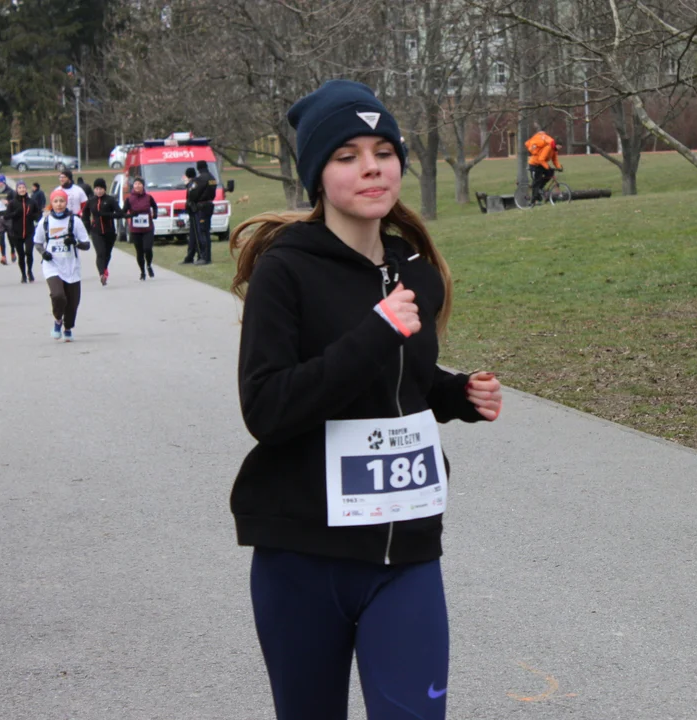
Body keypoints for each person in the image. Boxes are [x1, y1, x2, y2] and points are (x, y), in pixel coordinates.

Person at [228, 79, 503, 720]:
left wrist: (456, 393)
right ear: (317, 175)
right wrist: (375, 333)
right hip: (303, 556)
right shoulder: (284, 272)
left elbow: (402, 380)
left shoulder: (416, 273)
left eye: (383, 150)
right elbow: (267, 409)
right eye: (346, 154)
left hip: (404, 551)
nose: (371, 166)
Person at [33, 188, 90, 341]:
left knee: (72, 302)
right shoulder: (45, 221)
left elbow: (87, 244)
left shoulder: (74, 221)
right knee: (58, 296)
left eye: (62, 201)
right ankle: (58, 319)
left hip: (72, 266)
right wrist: (43, 252)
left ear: (66, 203)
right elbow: (37, 242)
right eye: (56, 201)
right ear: (51, 203)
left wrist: (75, 242)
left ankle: (68, 327)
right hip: (52, 265)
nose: (59, 204)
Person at [2, 180, 40, 283]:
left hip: (29, 232)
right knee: (21, 255)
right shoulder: (13, 203)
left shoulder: (32, 202)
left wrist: (33, 216)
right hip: (16, 233)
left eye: (23, 187)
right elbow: (6, 216)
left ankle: (30, 271)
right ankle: (23, 274)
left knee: (29, 252)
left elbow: (38, 214)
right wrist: (15, 213)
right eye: (19, 188)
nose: (22, 189)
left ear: (26, 189)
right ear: (17, 190)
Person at [122, 176, 157, 281]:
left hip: (148, 228)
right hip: (136, 229)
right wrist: (130, 215)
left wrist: (154, 215)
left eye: (139, 184)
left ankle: (149, 265)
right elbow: (123, 212)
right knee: (139, 251)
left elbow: (155, 206)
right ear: (133, 186)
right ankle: (142, 272)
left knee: (147, 248)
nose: (137, 186)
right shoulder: (129, 199)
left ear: (143, 186)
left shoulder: (148, 197)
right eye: (135, 184)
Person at [88, 178, 120, 285]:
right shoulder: (91, 201)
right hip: (96, 231)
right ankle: (102, 274)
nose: (99, 191)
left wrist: (106, 215)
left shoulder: (110, 200)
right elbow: (84, 215)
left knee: (107, 254)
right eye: (96, 189)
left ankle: (105, 268)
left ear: (104, 189)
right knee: (100, 253)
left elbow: (119, 213)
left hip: (109, 231)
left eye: (101, 188)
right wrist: (88, 226)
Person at [190, 158, 216, 264]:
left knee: (203, 232)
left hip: (202, 206)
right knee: (206, 231)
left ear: (198, 168)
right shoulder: (212, 177)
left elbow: (193, 193)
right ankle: (206, 256)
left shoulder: (200, 179)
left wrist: (192, 201)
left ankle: (205, 257)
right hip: (210, 205)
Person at [525, 129, 562, 202]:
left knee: (550, 173)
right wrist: (547, 167)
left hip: (541, 164)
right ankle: (532, 201)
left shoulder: (554, 150)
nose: (560, 148)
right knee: (537, 181)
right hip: (534, 164)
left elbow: (555, 160)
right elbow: (541, 159)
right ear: (556, 144)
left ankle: (540, 189)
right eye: (559, 147)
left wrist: (559, 167)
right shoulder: (548, 148)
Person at [181, 167, 200, 265]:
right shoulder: (194, 183)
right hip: (194, 211)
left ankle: (196, 254)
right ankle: (191, 255)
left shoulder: (192, 184)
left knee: (196, 234)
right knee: (193, 234)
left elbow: (191, 196)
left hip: (194, 211)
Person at [0, 174, 12, 265]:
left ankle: (12, 250)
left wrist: (8, 203)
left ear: (4, 182)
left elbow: (15, 203)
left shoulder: (10, 191)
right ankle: (3, 256)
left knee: (10, 237)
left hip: (8, 217)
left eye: (0, 182)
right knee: (1, 237)